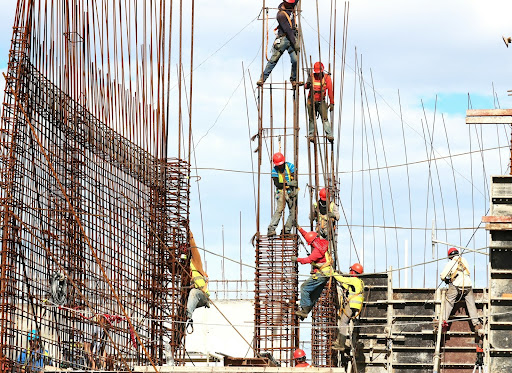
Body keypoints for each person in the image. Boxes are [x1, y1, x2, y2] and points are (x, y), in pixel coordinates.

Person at [439, 247, 483, 333]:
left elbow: (443, 276)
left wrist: (447, 280)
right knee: (471, 304)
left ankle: (443, 321)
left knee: (449, 302)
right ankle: (476, 323)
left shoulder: (451, 263)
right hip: (468, 285)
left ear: (450, 256)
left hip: (456, 285)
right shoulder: (464, 261)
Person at [293, 225, 332, 319]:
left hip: (321, 274)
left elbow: (307, 260)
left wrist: (296, 259)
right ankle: (305, 310)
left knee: (304, 288)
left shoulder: (317, 251)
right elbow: (308, 236)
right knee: (314, 294)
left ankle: (305, 310)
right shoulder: (323, 242)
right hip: (327, 274)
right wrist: (299, 229)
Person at [257, 0, 300, 86]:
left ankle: (293, 79)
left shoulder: (291, 6)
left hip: (291, 38)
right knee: (274, 60)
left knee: (295, 60)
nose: (291, 4)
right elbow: (288, 30)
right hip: (284, 39)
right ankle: (263, 78)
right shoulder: (280, 15)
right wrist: (295, 43)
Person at [332, 263, 365, 351]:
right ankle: (339, 341)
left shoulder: (354, 280)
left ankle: (341, 344)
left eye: (351, 270)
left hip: (352, 304)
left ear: (354, 272)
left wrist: (333, 272)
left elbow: (342, 279)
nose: (350, 272)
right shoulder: (359, 282)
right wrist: (341, 282)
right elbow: (347, 286)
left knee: (343, 322)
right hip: (356, 305)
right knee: (344, 321)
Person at [185, 230, 210, 332]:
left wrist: (190, 237)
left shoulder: (195, 263)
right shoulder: (185, 270)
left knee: (194, 292)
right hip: (193, 299)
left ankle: (188, 315)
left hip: (202, 295)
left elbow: (194, 249)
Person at [268, 152, 297, 236]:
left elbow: (295, 178)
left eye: (281, 164)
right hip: (281, 192)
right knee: (279, 210)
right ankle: (271, 229)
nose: (280, 166)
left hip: (290, 192)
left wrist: (293, 187)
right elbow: (277, 184)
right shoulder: (274, 171)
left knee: (293, 211)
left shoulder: (290, 166)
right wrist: (289, 184)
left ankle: (286, 230)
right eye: (278, 165)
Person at [304, 62, 334, 143]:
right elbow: (306, 87)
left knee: (325, 118)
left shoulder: (327, 78)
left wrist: (332, 103)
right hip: (311, 101)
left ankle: (329, 135)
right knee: (311, 119)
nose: (318, 74)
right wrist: (308, 83)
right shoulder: (311, 76)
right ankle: (311, 135)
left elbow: (330, 91)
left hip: (321, 101)